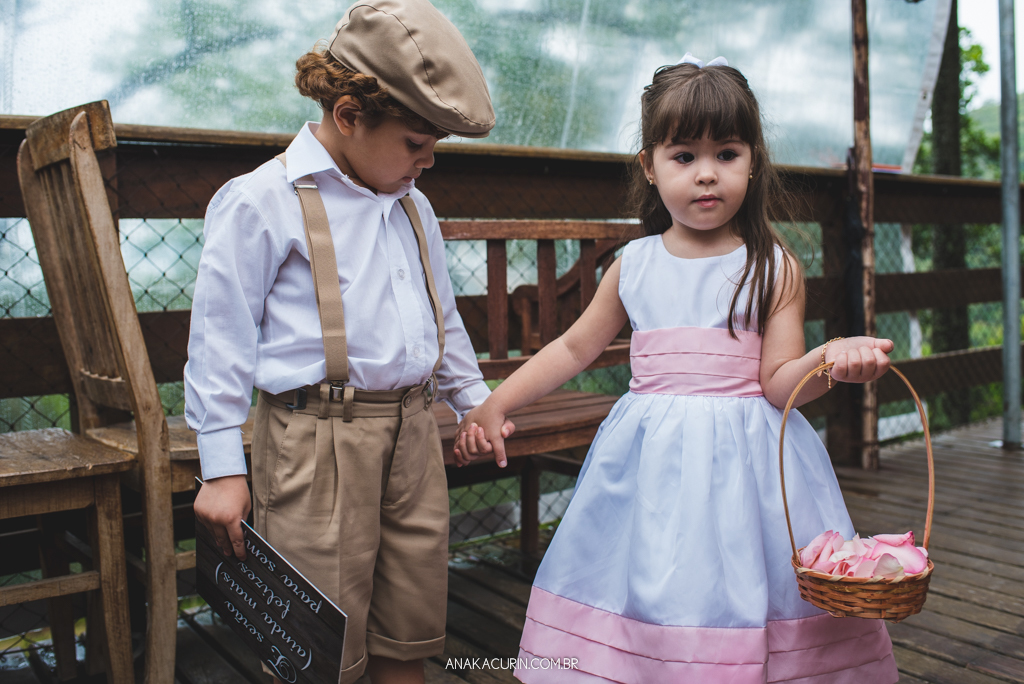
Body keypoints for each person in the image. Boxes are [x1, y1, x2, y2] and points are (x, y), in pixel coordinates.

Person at [455, 54, 900, 683]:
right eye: (684, 156)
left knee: (748, 581)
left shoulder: (773, 266)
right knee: (654, 578)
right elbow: (573, 349)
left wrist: (829, 363)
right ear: (650, 166)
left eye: (727, 154)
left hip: (755, 472)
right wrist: (499, 402)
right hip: (650, 465)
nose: (706, 175)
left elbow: (779, 384)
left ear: (753, 161)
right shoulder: (634, 264)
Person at [185, 2, 509, 682]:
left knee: (409, 634)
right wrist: (221, 468)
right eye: (416, 144)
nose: (427, 162)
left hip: (415, 438)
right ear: (349, 116)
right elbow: (220, 343)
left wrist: (473, 401)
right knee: (317, 648)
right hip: (315, 444)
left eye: (435, 148)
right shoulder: (261, 201)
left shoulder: (412, 203)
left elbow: (439, 318)